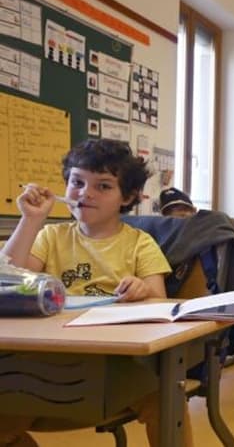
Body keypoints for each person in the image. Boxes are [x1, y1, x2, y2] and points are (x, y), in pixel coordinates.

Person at [0, 138, 193, 447]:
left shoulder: (139, 242)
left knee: (167, 399)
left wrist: (143, 290)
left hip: (113, 367)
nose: (85, 193)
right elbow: (7, 278)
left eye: (103, 186)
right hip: (42, 365)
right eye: (77, 182)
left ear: (127, 197)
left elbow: (161, 302)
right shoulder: (50, 235)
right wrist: (31, 220)